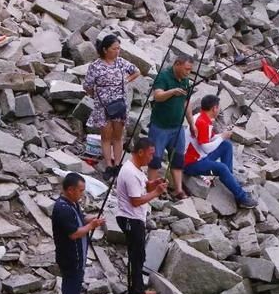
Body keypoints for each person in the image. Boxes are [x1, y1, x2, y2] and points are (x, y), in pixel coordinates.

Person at [51, 173, 105, 294]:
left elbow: (80, 219)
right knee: (70, 287)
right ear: (70, 189)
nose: (82, 194)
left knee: (75, 283)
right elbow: (74, 233)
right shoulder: (62, 208)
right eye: (80, 190)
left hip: (78, 255)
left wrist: (91, 219)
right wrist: (91, 225)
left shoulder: (72, 203)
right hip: (70, 256)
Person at [116, 138, 168, 294]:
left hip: (137, 218)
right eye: (150, 154)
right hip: (130, 218)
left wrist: (154, 184)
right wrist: (157, 192)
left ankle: (139, 289)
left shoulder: (137, 169)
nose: (152, 158)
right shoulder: (130, 172)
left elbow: (144, 186)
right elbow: (136, 201)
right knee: (135, 256)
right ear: (140, 152)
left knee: (140, 255)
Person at [83, 34, 141, 181]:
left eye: (118, 48)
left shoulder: (121, 62)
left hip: (119, 104)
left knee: (118, 135)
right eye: (114, 48)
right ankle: (109, 165)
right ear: (105, 49)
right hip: (103, 106)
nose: (117, 51)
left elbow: (137, 71)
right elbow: (87, 86)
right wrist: (98, 95)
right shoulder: (95, 66)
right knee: (106, 135)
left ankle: (117, 163)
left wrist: (125, 81)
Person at [184, 95, 257, 209]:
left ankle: (229, 178)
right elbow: (206, 148)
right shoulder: (202, 122)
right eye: (218, 107)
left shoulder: (202, 118)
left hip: (199, 156)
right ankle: (242, 198)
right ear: (214, 108)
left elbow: (210, 138)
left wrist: (223, 135)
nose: (219, 110)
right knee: (221, 167)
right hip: (191, 163)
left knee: (226, 145)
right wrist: (222, 137)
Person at [148, 56, 197, 200]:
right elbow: (157, 96)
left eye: (190, 70)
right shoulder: (164, 76)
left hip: (178, 127)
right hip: (160, 127)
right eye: (186, 69)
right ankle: (151, 190)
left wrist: (192, 124)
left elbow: (186, 104)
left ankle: (178, 190)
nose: (188, 72)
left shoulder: (186, 81)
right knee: (155, 160)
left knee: (178, 159)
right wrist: (172, 92)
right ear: (177, 64)